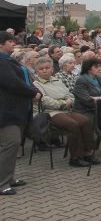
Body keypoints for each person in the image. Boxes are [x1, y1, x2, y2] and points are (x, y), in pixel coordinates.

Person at [32, 56, 99, 167]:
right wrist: (63, 103)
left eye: (47, 68)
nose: (44, 70)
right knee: (73, 125)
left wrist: (68, 101)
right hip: (51, 113)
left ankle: (88, 153)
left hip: (66, 109)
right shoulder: (36, 84)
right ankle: (75, 157)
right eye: (41, 69)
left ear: (52, 69)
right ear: (36, 71)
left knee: (85, 121)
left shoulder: (57, 81)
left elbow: (70, 94)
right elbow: (45, 100)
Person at [0, 31, 41, 196]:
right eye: (9, 41)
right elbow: (13, 83)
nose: (13, 44)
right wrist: (33, 93)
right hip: (7, 110)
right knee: (10, 143)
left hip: (18, 109)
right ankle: (2, 183)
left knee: (14, 145)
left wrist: (34, 90)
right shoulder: (2, 63)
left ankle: (9, 178)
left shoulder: (9, 61)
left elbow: (24, 80)